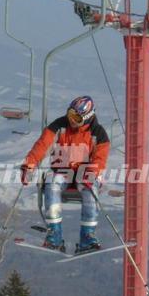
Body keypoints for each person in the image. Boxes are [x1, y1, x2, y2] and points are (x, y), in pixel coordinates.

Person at [20, 96, 110, 253]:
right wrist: (29, 165)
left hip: (85, 173)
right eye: (69, 114)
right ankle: (54, 234)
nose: (71, 120)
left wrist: (91, 173)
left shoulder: (98, 133)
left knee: (89, 189)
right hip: (62, 171)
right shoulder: (59, 126)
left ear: (87, 117)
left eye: (76, 117)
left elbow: (99, 159)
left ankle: (87, 237)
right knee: (52, 183)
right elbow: (42, 146)